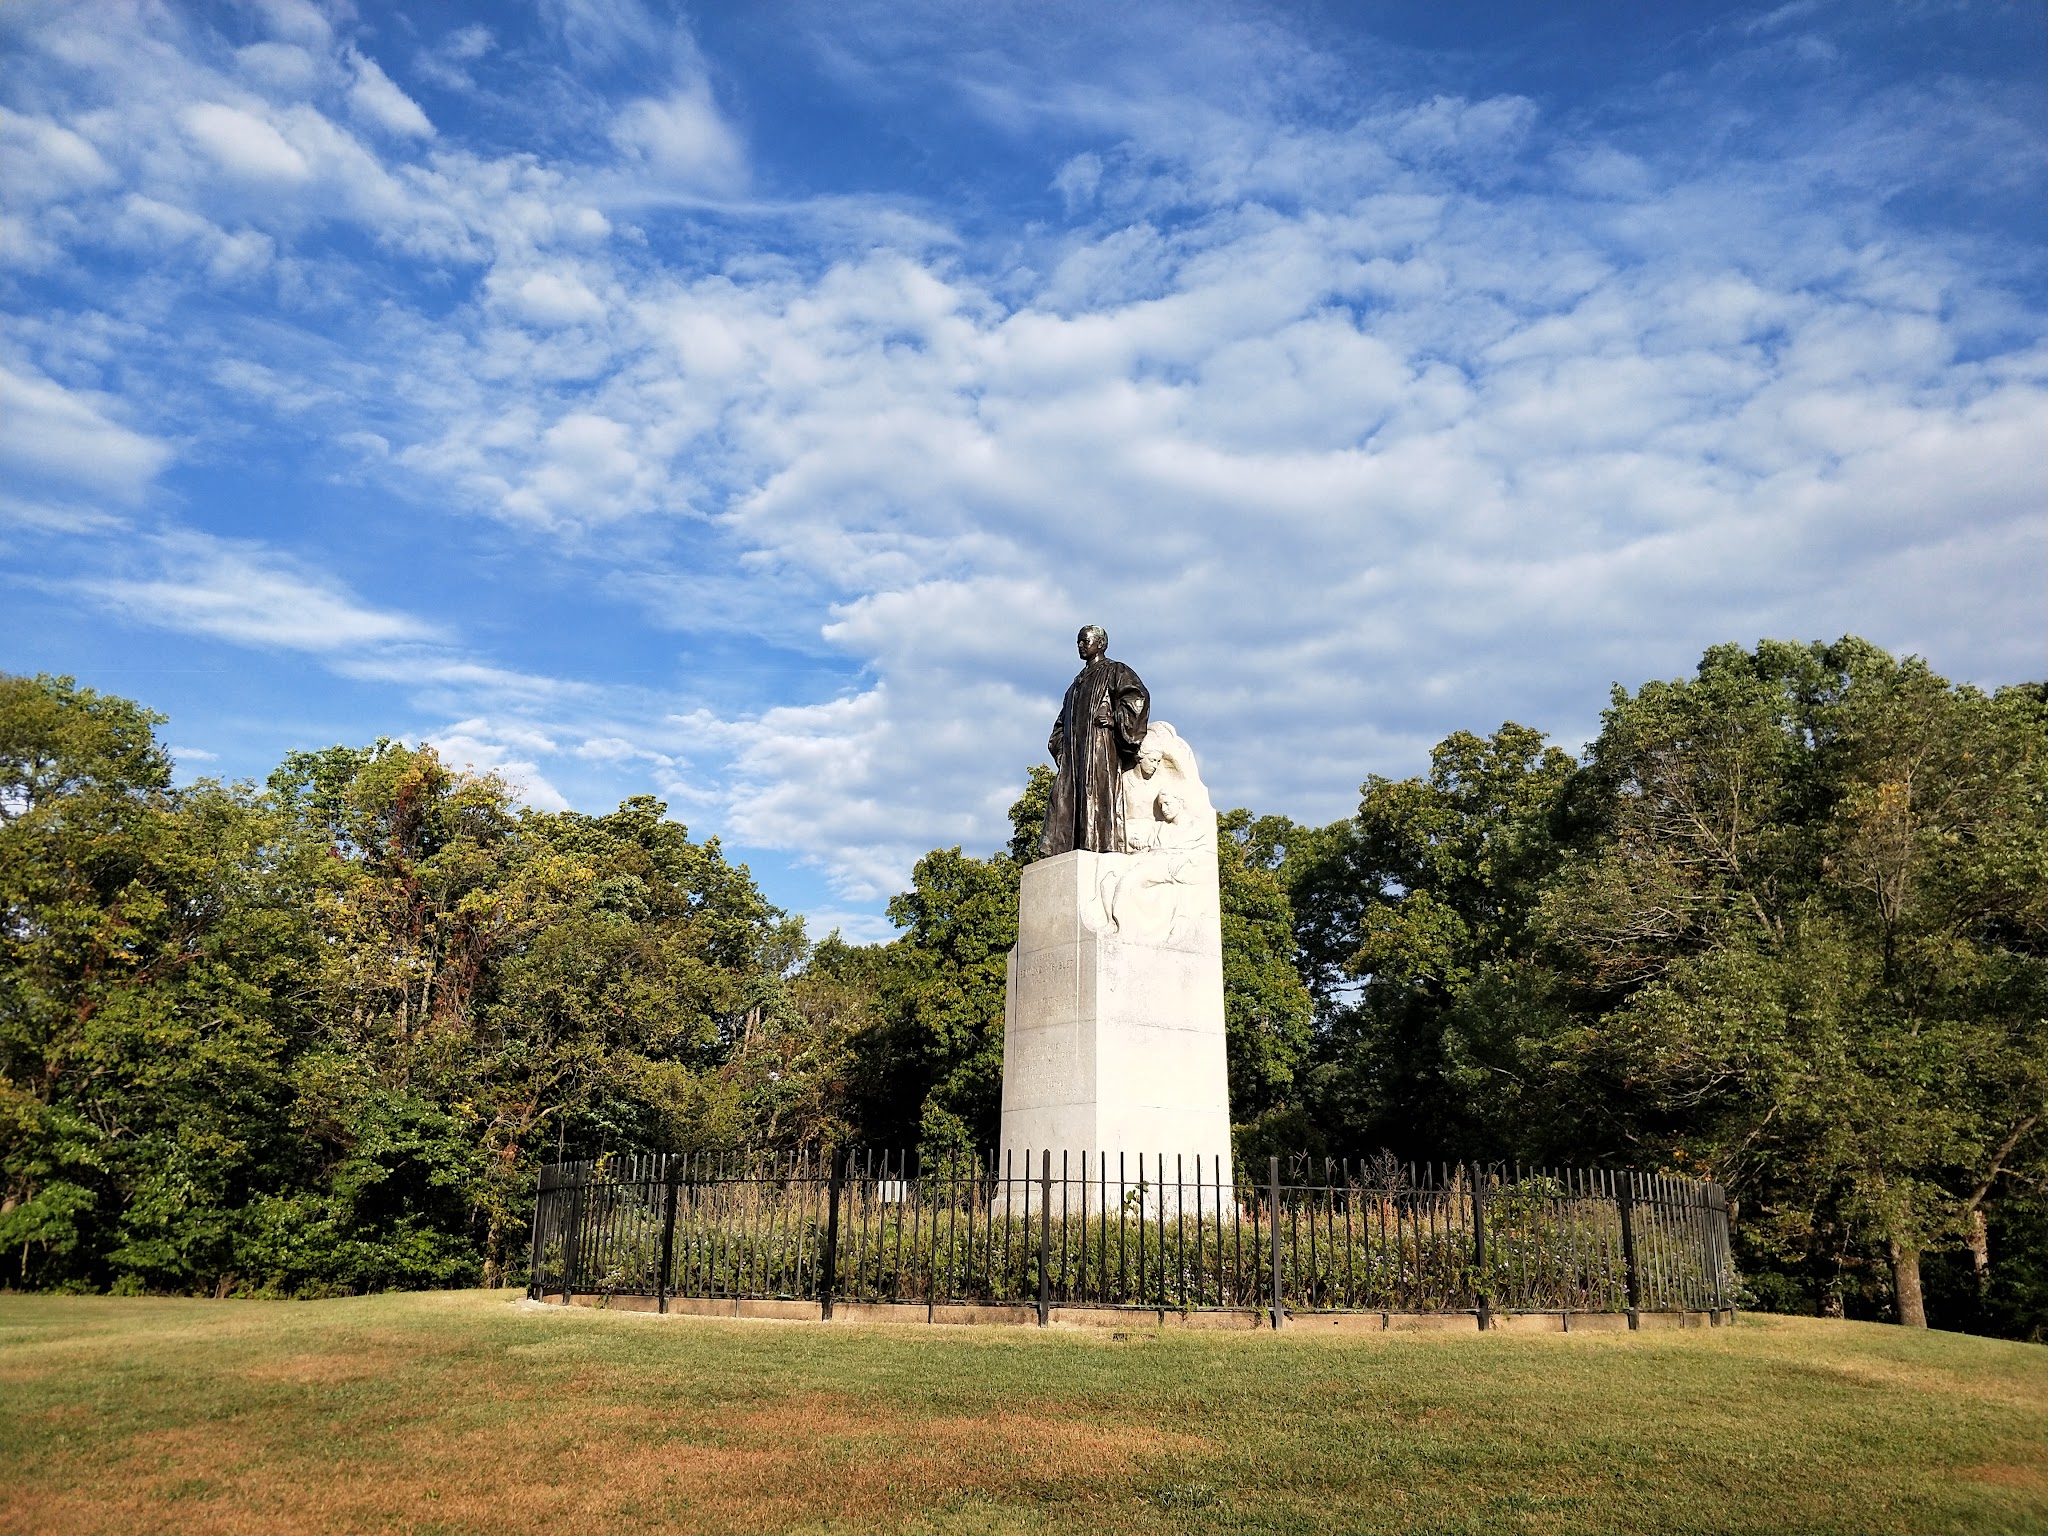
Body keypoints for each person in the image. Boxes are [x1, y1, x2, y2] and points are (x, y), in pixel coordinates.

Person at [1038, 625, 1150, 856]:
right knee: (1062, 800)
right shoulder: (1074, 686)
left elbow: (1137, 699)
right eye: (1078, 641)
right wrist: (1064, 753)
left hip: (1098, 752)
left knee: (1095, 799)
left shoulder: (1115, 671)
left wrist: (1114, 719)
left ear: (1100, 644)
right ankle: (1062, 849)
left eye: (1085, 641)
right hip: (1073, 758)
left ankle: (1097, 847)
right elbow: (1059, 726)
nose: (1080, 645)